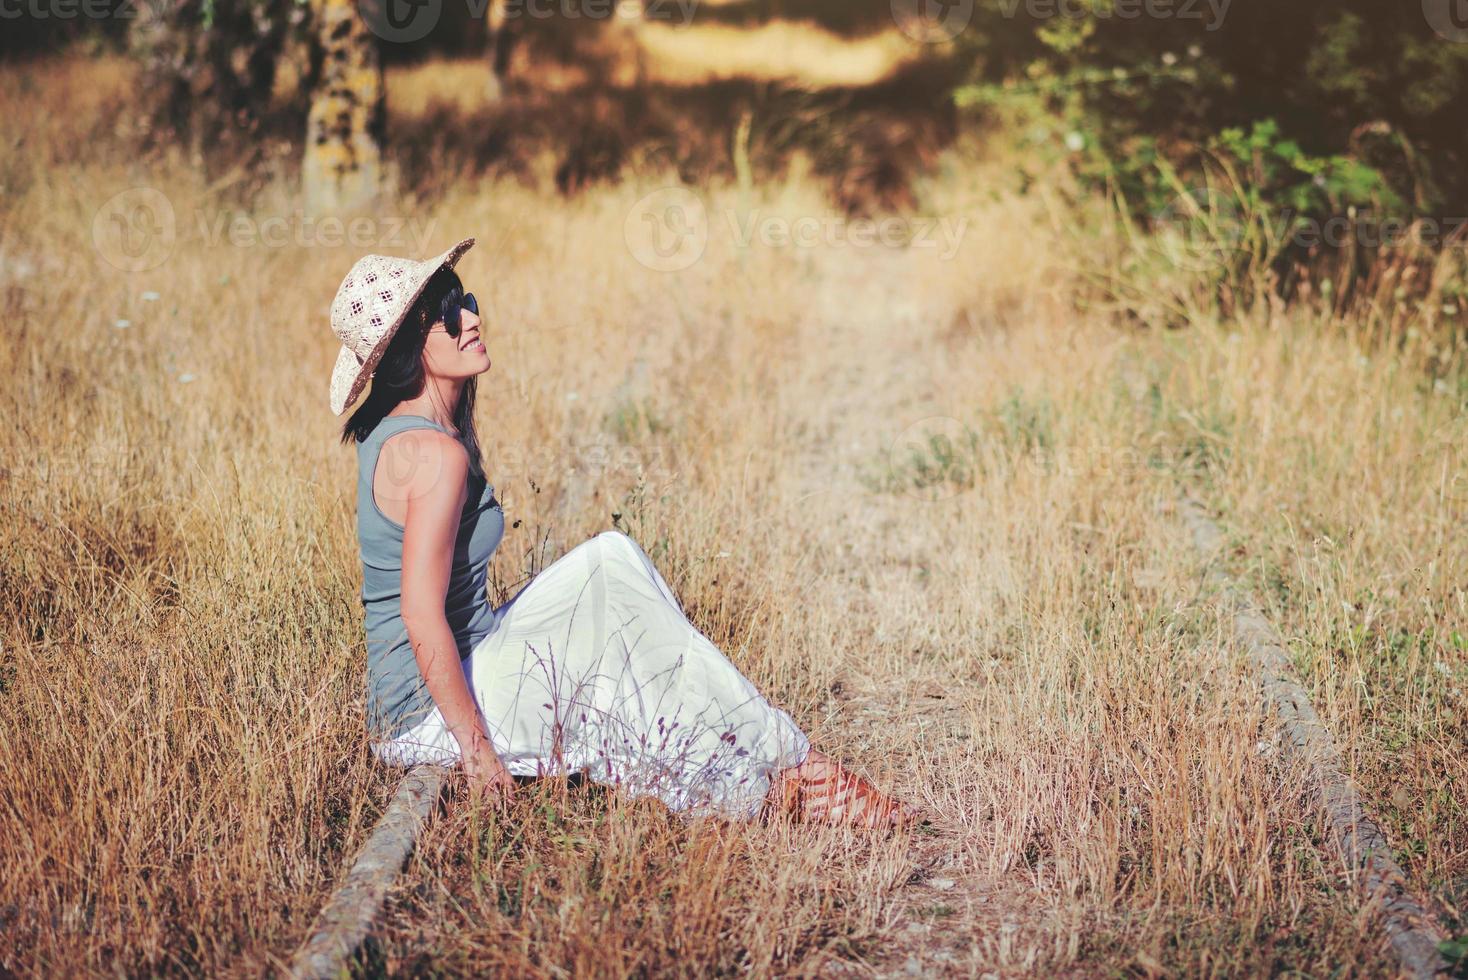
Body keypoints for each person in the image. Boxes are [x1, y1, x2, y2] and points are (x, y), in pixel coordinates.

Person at [328, 239, 916, 827]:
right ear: (410, 349)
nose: (473, 320)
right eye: (450, 317)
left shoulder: (414, 429)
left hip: (468, 656)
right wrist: (477, 753)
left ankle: (768, 774)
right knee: (613, 641)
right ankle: (793, 772)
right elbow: (420, 613)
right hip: (425, 712)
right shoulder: (431, 453)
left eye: (468, 302)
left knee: (611, 562)